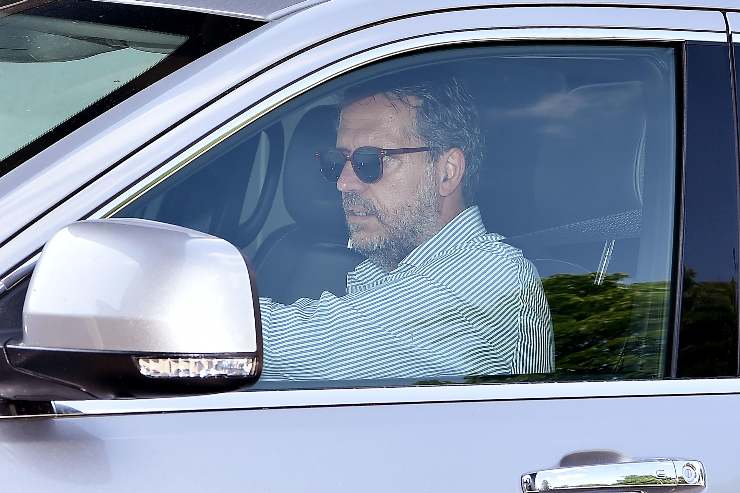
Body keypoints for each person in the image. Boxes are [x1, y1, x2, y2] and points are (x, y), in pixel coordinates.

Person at [258, 76, 553, 381]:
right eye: (337, 161)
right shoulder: (391, 261)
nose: (343, 183)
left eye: (370, 161)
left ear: (447, 172)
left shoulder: (481, 281)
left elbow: (282, 348)